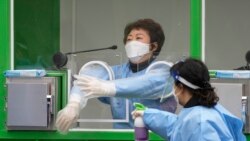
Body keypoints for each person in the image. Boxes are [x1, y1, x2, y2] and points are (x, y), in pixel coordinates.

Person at [55, 18, 177, 133]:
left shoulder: (164, 71)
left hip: (154, 137)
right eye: (129, 39)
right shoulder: (117, 73)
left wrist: (106, 87)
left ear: (153, 46)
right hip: (120, 136)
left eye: (138, 38)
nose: (132, 42)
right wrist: (74, 103)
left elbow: (147, 84)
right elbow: (90, 75)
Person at [132, 58, 246, 141]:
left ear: (181, 87)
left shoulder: (201, 123)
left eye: (174, 84)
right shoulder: (200, 112)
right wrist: (147, 114)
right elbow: (176, 127)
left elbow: (186, 128)